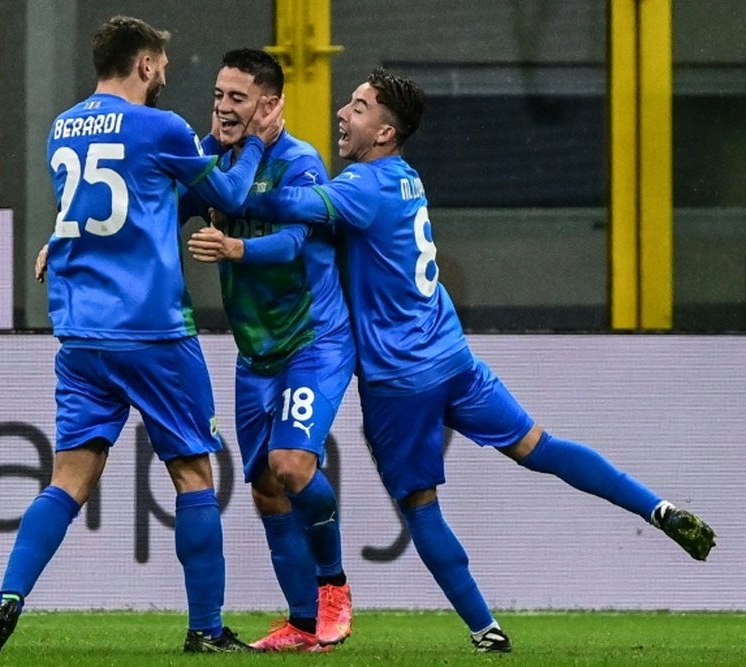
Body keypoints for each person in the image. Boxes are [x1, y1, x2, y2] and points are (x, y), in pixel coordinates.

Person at [241, 67, 717, 653]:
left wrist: (257, 154)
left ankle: (485, 630)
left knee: (419, 508)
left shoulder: (362, 186)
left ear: (385, 132)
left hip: (400, 380)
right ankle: (658, 508)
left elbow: (280, 203)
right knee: (539, 447)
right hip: (453, 356)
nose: (343, 112)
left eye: (358, 107)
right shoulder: (405, 179)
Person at [0, 15, 283, 655]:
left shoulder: (64, 126)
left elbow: (102, 208)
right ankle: (206, 629)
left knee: (68, 478)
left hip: (80, 333)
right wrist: (252, 140)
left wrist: (55, 241)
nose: (165, 74)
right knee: (193, 473)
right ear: (142, 64)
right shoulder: (159, 127)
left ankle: (8, 597)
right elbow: (227, 191)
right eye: (161, 64)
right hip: (152, 331)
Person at [183, 48, 355, 652]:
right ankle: (305, 624)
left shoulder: (300, 160)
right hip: (254, 352)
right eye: (219, 95)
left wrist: (235, 251)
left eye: (238, 97)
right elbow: (151, 209)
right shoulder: (212, 159)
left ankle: (333, 585)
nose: (224, 108)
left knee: (292, 466)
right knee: (262, 485)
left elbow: (290, 245)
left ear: (270, 103)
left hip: (313, 340)